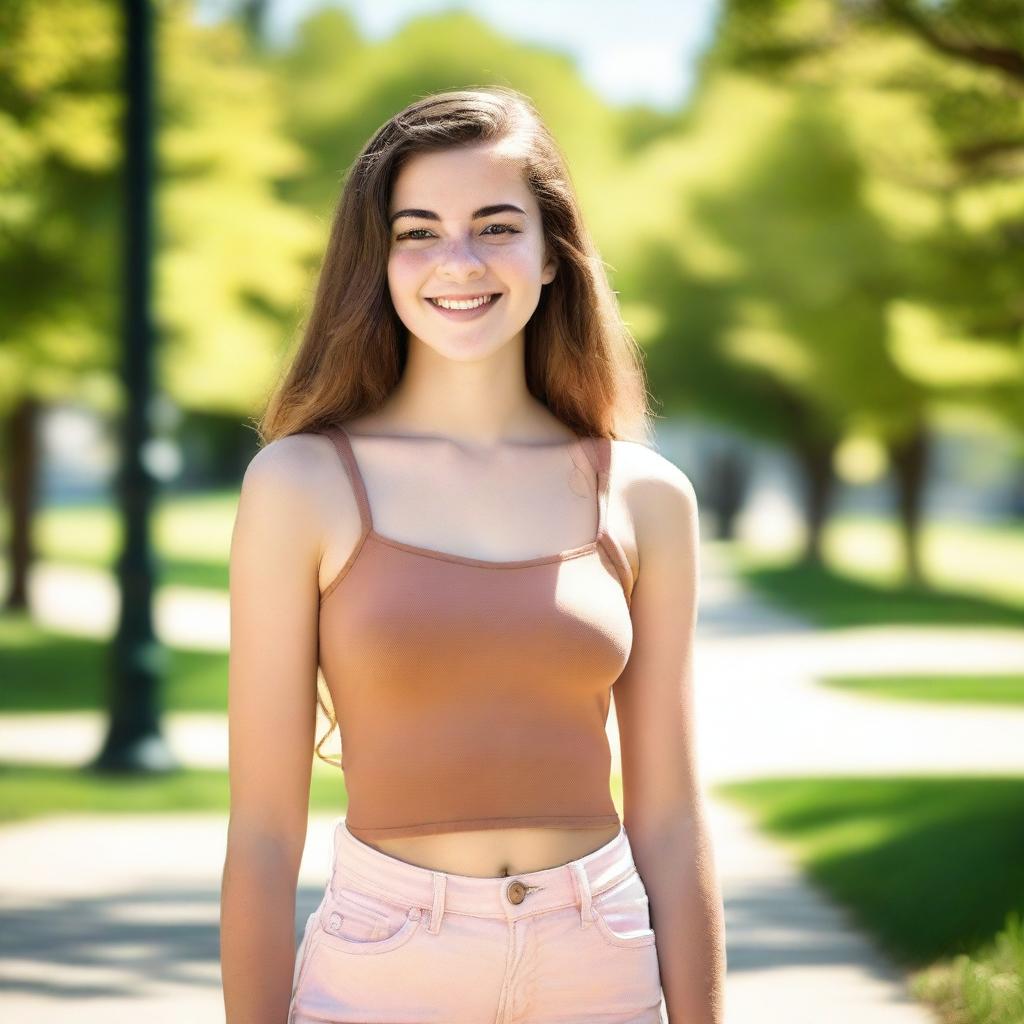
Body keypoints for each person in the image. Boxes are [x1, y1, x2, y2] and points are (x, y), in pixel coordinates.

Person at [220, 85, 726, 1024]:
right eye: (418, 232)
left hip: (602, 959)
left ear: (552, 256)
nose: (458, 262)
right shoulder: (300, 484)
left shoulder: (646, 496)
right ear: (378, 261)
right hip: (386, 962)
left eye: (496, 227)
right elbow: (260, 831)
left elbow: (671, 817)